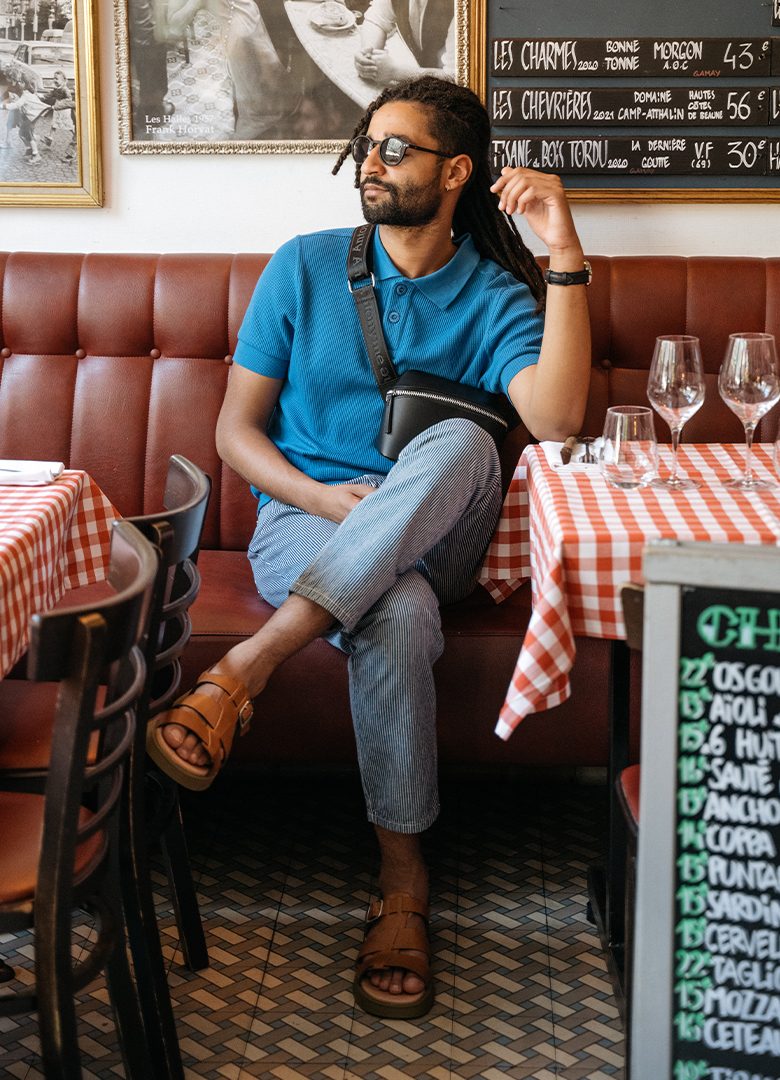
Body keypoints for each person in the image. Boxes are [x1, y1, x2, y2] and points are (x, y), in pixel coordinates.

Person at [146, 75, 591, 1019]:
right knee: (398, 608)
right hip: (306, 520)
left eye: (397, 149)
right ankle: (402, 880)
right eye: (368, 146)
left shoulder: (495, 290)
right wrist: (322, 498)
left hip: (443, 528)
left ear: (457, 171)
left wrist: (565, 251)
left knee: (470, 438)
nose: (371, 165)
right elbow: (236, 432)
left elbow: (553, 420)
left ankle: (248, 669)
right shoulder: (303, 266)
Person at [354, 0, 454, 86]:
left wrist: (395, 72)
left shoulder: (462, 8)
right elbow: (377, 19)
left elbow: (457, 79)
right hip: (427, 86)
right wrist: (369, 58)